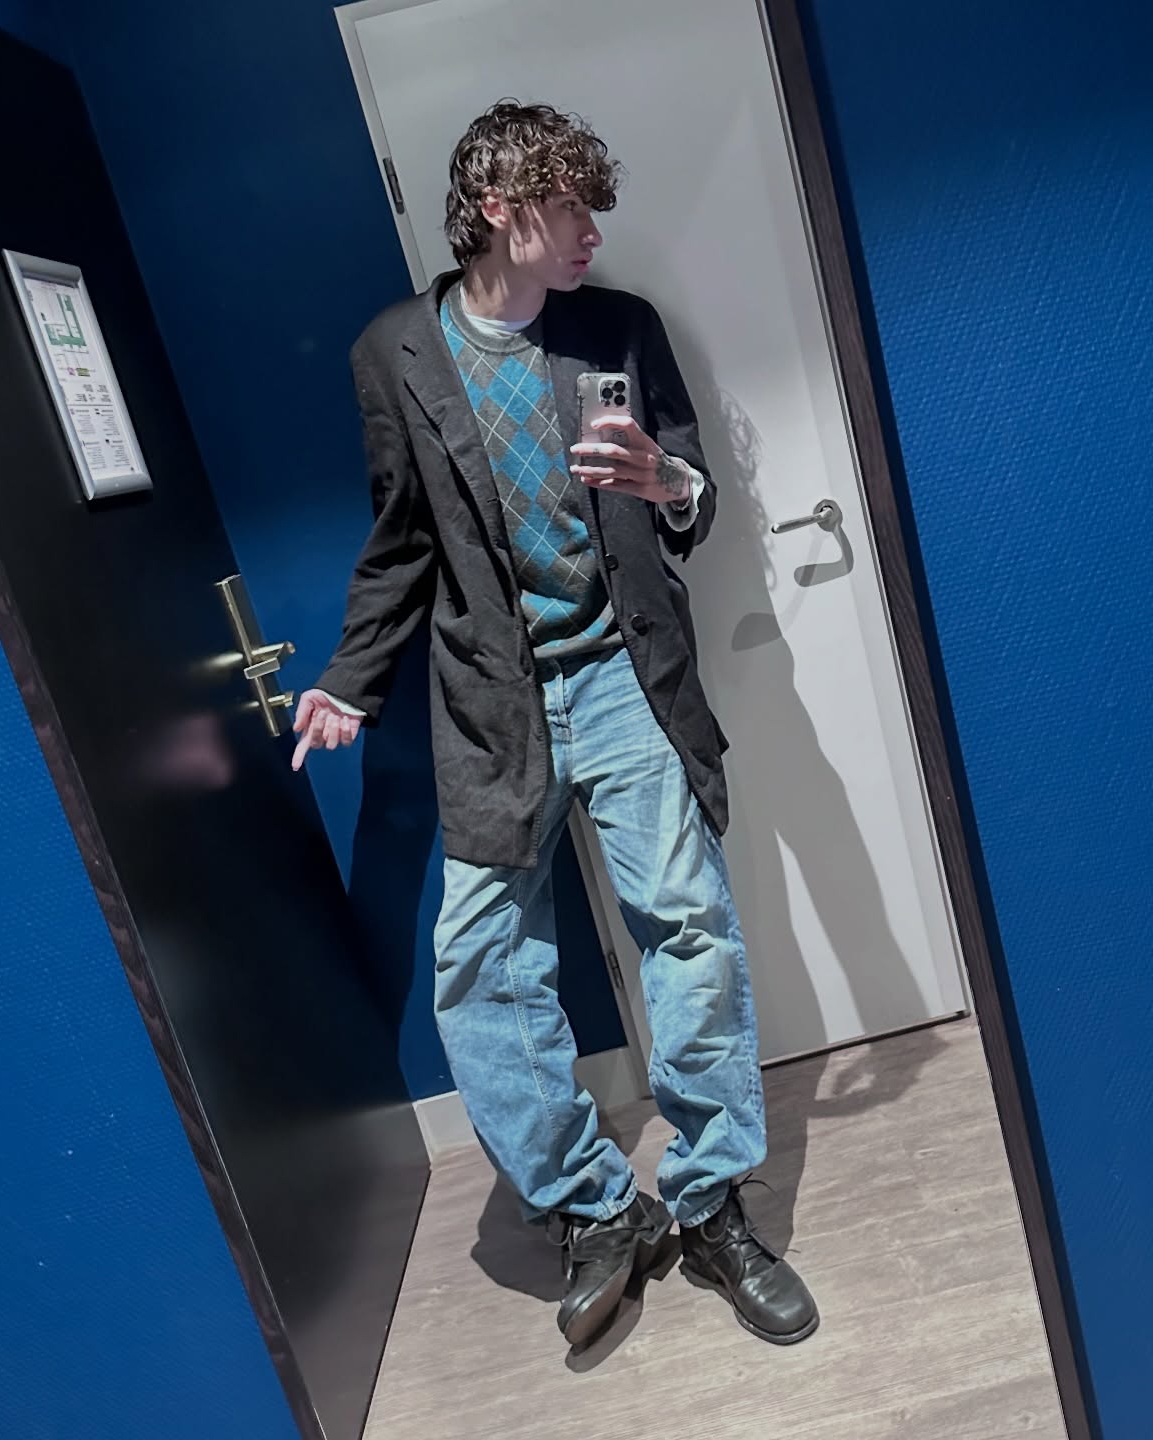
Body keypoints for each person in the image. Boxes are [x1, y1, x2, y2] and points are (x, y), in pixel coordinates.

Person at [292, 100, 818, 1351]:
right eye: (569, 206)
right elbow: (401, 540)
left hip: (628, 677)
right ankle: (596, 1209)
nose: (592, 230)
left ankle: (711, 1204)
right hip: (495, 700)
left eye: (593, 205)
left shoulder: (617, 326)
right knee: (480, 967)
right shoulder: (394, 352)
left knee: (688, 927)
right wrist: (351, 680)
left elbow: (692, 492)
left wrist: (666, 480)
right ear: (496, 209)